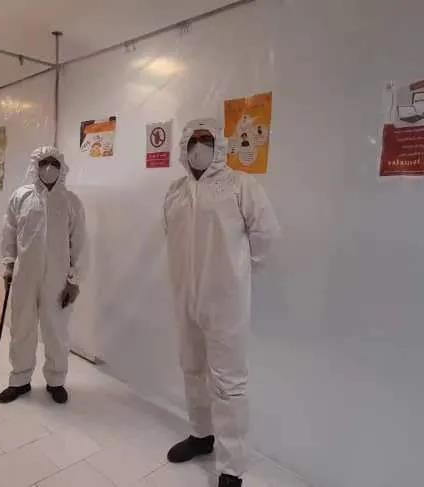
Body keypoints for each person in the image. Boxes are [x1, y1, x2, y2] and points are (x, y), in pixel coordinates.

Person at [162, 118, 280, 487]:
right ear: (183, 146)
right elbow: (170, 236)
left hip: (225, 301)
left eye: (206, 139)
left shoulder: (240, 185)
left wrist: (239, 274)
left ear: (219, 144)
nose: (199, 146)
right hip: (185, 296)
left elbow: (267, 234)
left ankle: (231, 466)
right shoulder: (175, 191)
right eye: (193, 140)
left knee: (229, 382)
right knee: (192, 368)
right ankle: (201, 435)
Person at [0, 146, 87, 405]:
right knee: (21, 328)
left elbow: (80, 243)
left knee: (56, 330)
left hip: (58, 279)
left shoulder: (71, 201)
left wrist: (74, 280)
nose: (49, 168)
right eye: (44, 163)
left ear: (62, 167)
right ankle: (19, 380)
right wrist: (8, 265)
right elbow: (9, 232)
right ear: (35, 166)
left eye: (54, 163)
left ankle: (56, 380)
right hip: (24, 275)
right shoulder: (21, 197)